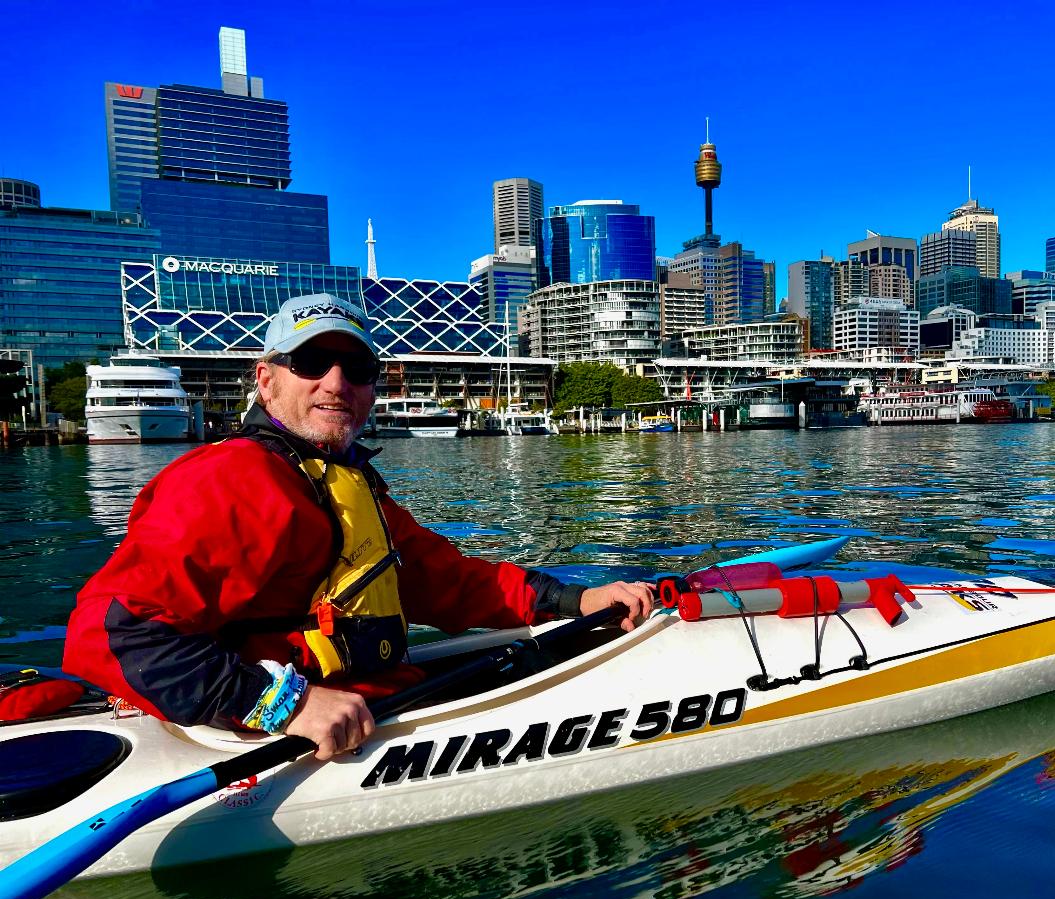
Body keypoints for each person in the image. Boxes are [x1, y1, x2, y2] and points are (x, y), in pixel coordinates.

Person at [64, 294, 653, 760]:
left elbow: (446, 579)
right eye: (312, 362)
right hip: (292, 736)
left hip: (379, 700)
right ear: (266, 379)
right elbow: (109, 635)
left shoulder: (343, 481)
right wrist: (283, 707)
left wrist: (575, 599)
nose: (337, 383)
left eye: (358, 367)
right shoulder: (229, 480)